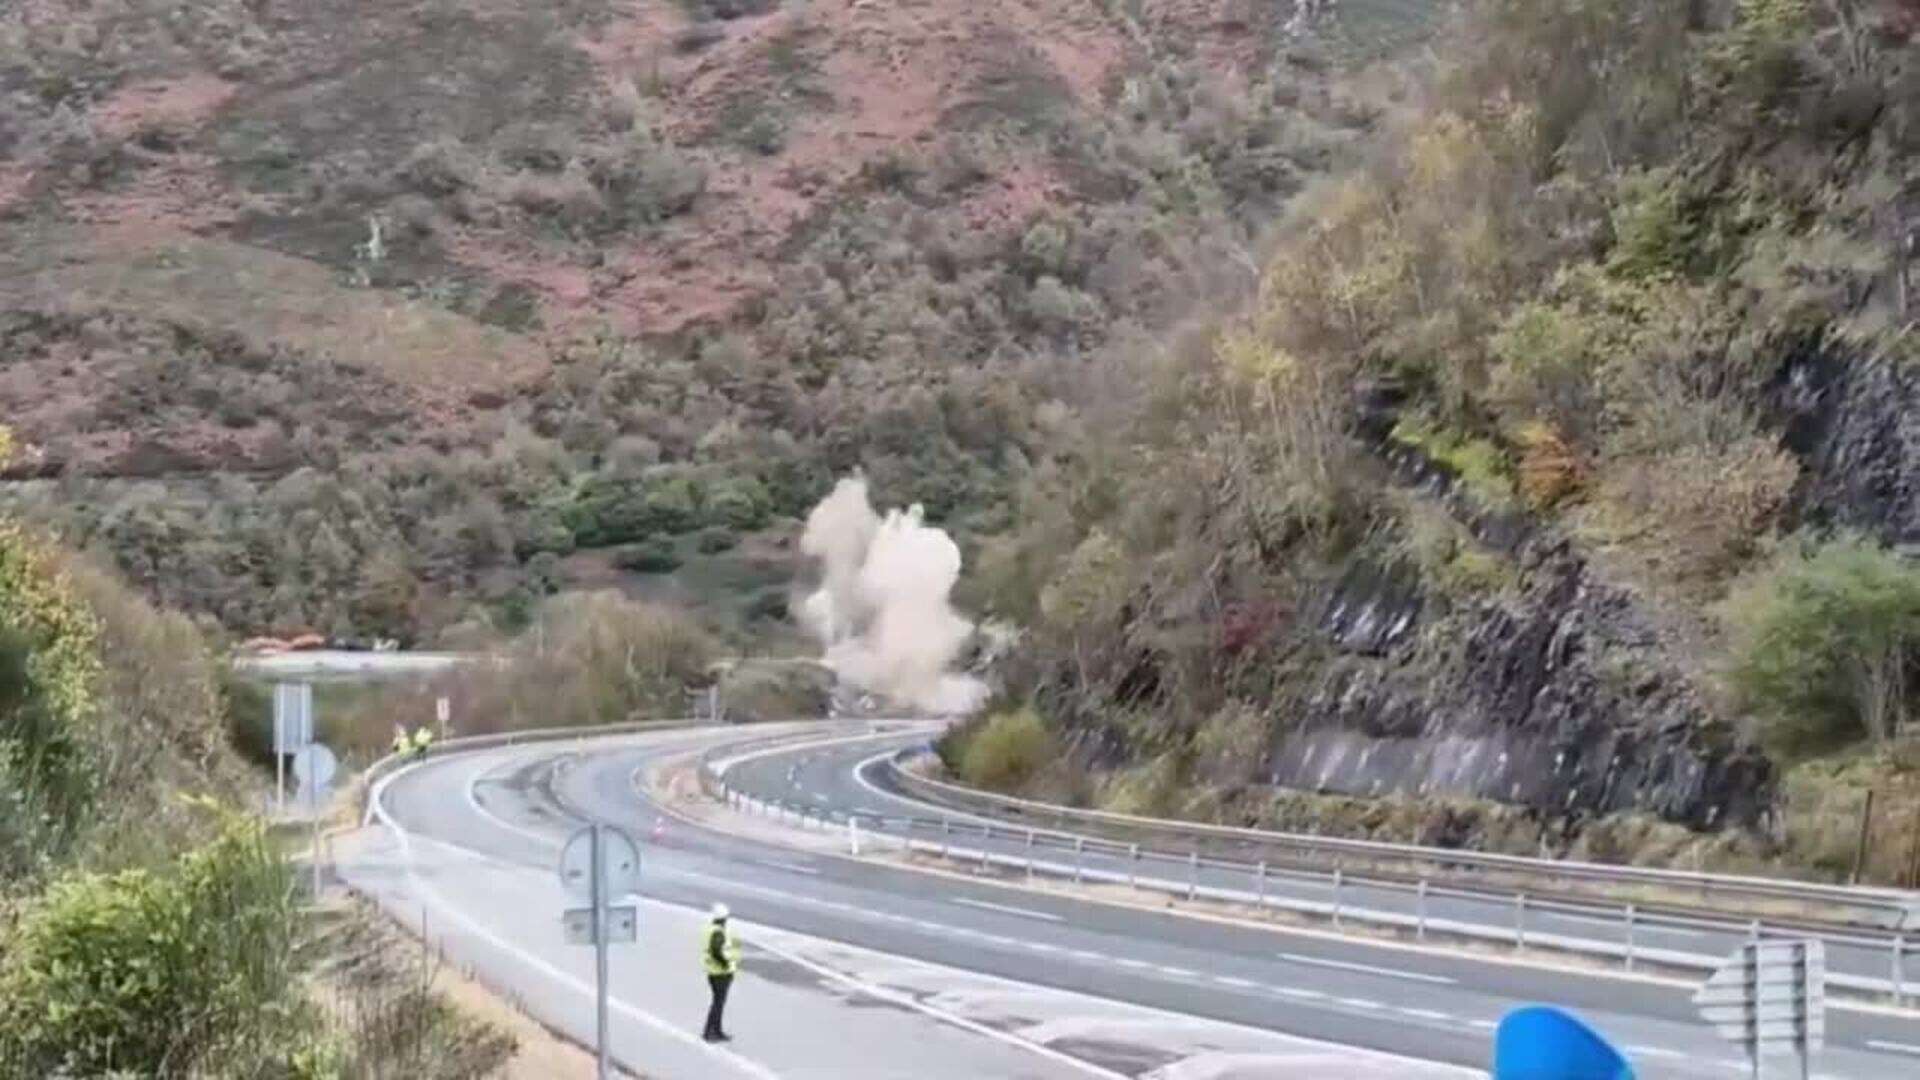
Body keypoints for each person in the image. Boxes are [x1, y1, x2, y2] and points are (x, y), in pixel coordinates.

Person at [701, 902, 740, 1042]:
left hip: (713, 972)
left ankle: (716, 1030)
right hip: (720, 973)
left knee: (718, 1003)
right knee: (718, 1003)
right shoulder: (718, 932)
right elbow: (716, 951)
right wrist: (726, 964)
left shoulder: (710, 929)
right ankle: (709, 1032)